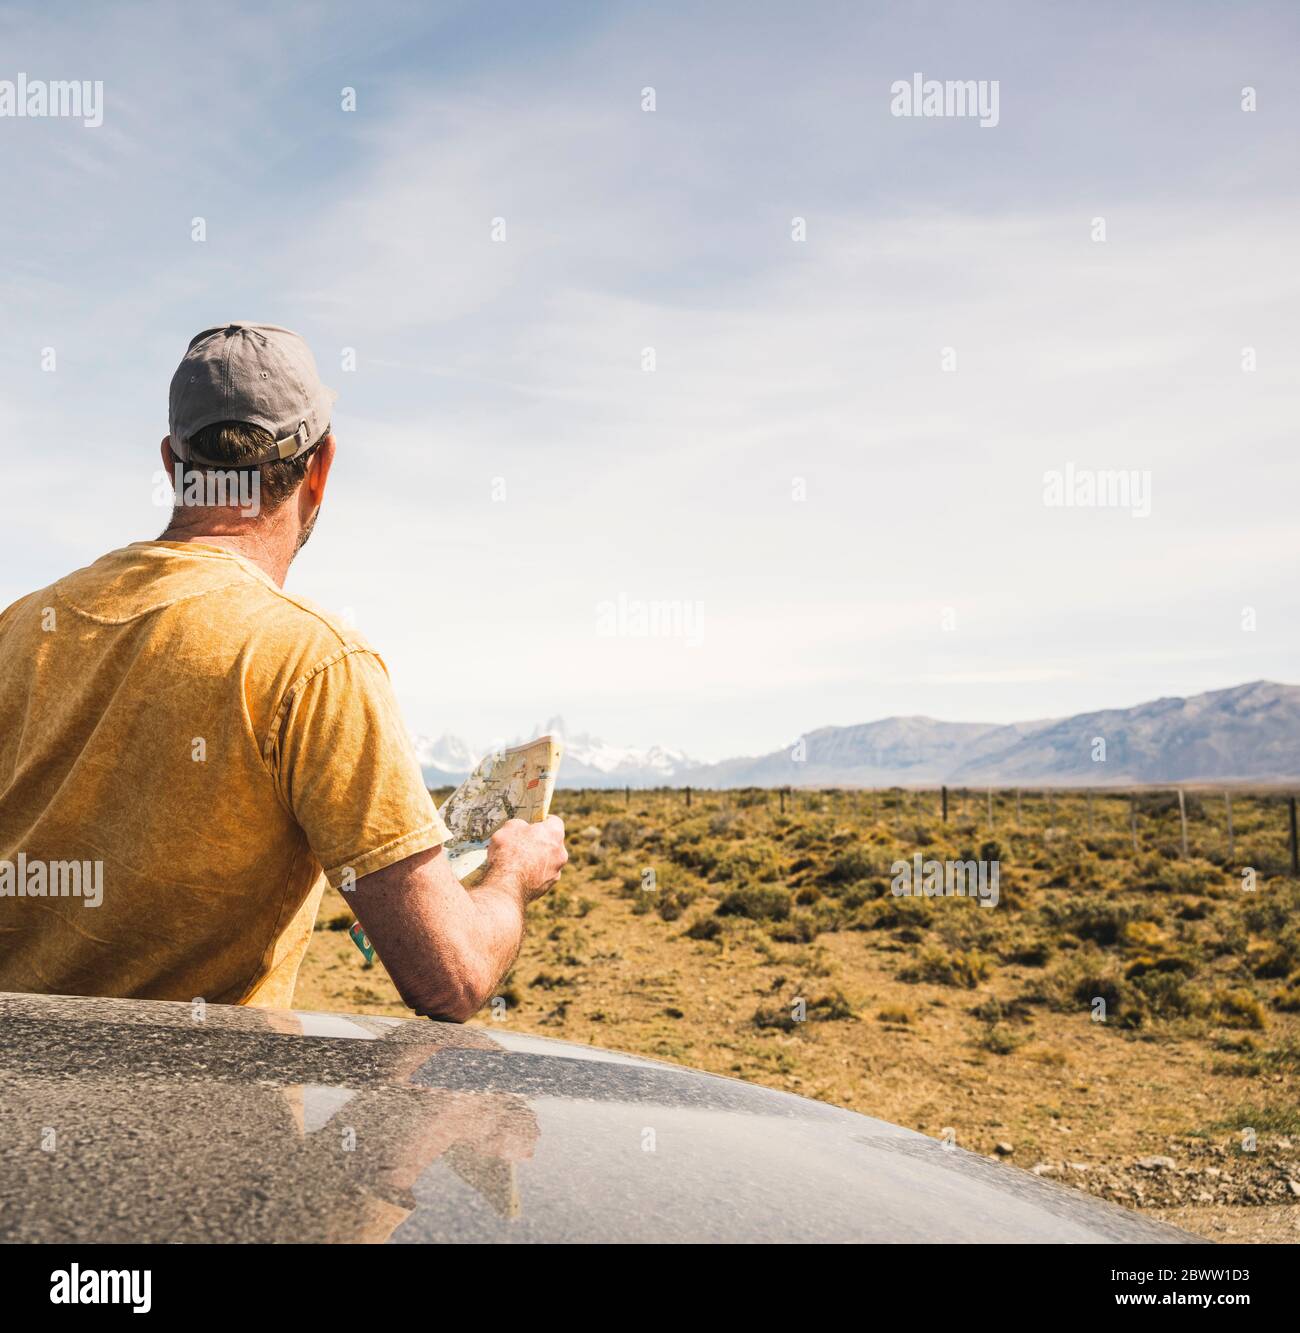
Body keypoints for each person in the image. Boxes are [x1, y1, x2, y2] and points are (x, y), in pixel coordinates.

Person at [0, 322, 566, 1019]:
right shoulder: (316, 663)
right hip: (209, 1122)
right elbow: (451, 974)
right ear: (320, 467)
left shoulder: (21, 624)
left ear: (174, 465)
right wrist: (513, 872)